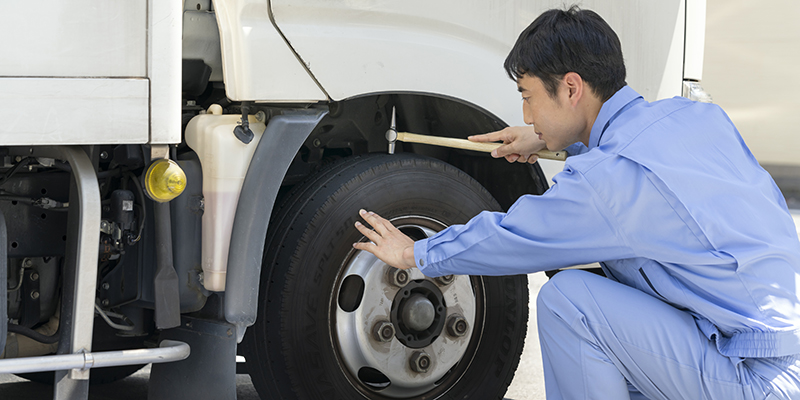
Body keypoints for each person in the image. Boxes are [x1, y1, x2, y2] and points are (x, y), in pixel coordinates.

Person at [352, 6, 800, 400]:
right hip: (778, 352)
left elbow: (515, 235)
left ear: (571, 88)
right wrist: (558, 139)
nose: (526, 115)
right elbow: (638, 174)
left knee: (571, 303)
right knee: (612, 325)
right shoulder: (696, 117)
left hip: (753, 379)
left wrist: (416, 252)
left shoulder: (608, 184)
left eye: (528, 97)